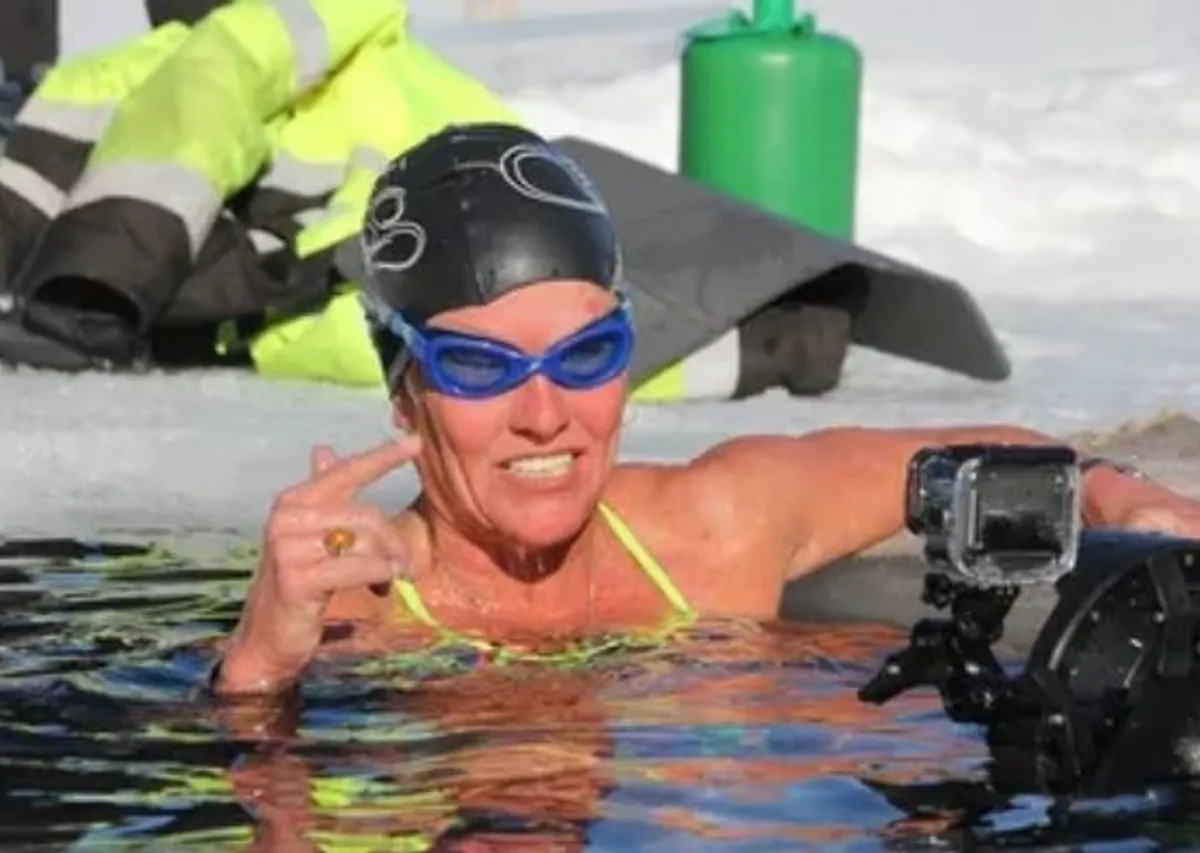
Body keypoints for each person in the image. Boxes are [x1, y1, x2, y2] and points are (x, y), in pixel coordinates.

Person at [212, 122, 1200, 698]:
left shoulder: (714, 525)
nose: (545, 414)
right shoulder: (353, 614)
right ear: (404, 395)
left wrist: (1119, 497)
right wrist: (256, 666)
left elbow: (961, 459)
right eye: (481, 367)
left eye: (587, 353)